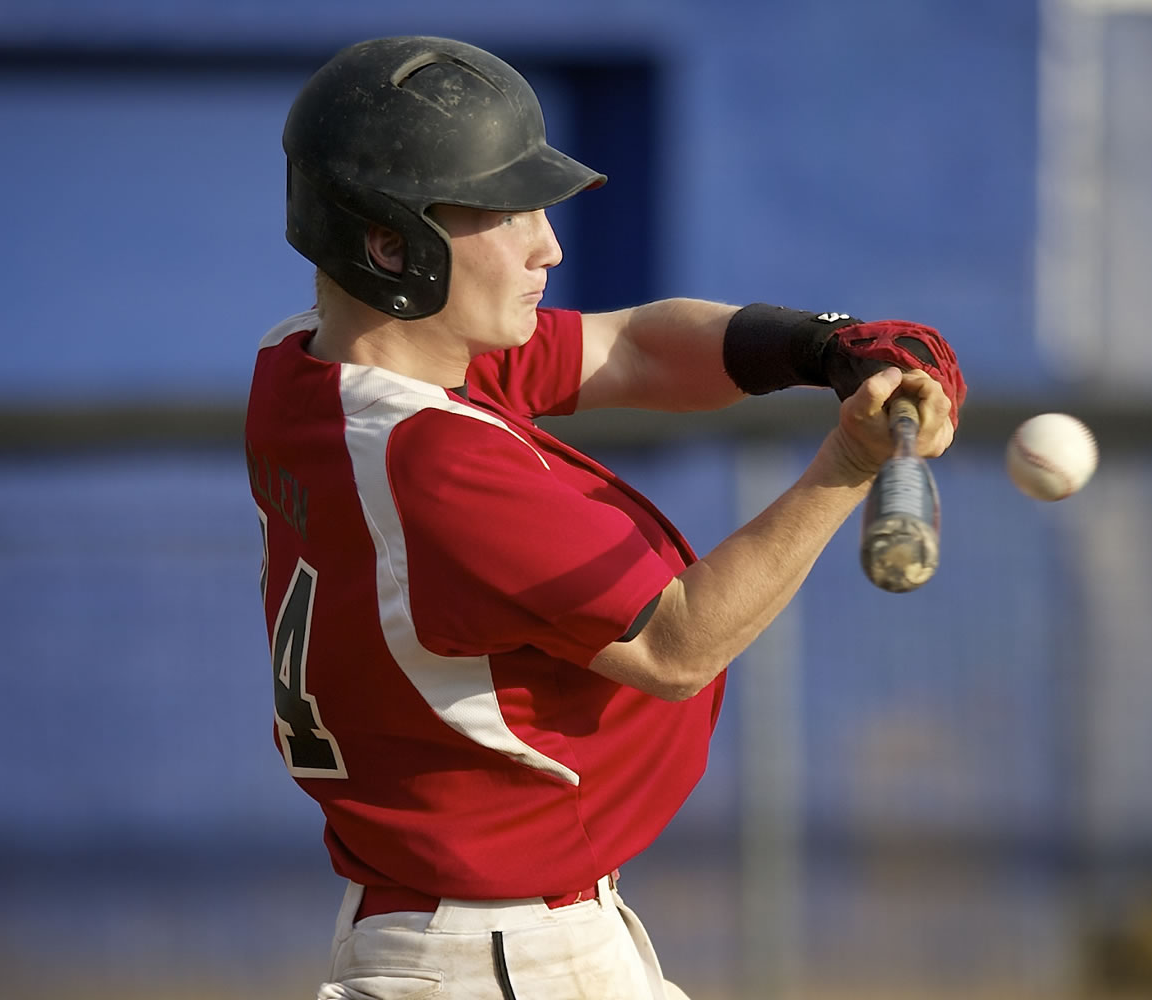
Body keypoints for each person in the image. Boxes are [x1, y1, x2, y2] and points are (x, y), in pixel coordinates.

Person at [245, 35, 966, 1000]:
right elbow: (676, 645)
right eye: (505, 214)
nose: (548, 244)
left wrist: (820, 347)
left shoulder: (308, 365)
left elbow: (627, 349)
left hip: (470, 932)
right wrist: (847, 461)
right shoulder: (431, 459)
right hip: (500, 958)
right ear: (390, 244)